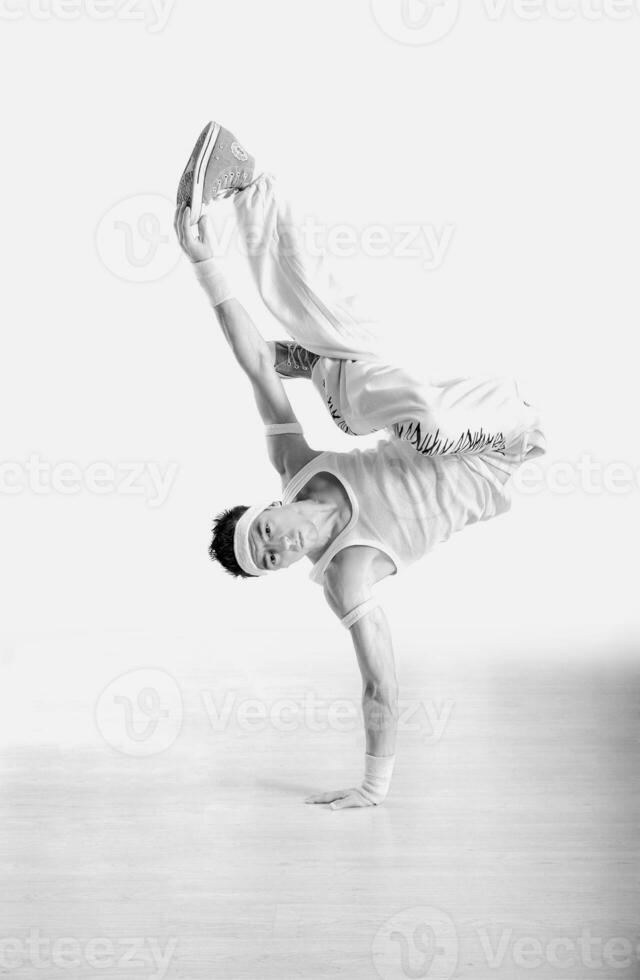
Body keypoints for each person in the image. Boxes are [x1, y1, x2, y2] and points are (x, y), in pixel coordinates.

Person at [174, 121, 546, 810]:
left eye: (265, 535)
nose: (282, 546)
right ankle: (324, 372)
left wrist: (205, 266)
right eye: (275, 559)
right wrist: (374, 787)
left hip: (450, 408)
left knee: (338, 338)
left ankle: (246, 181)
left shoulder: (294, 464)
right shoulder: (347, 576)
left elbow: (255, 366)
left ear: (271, 507)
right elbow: (381, 683)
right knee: (365, 393)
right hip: (494, 452)